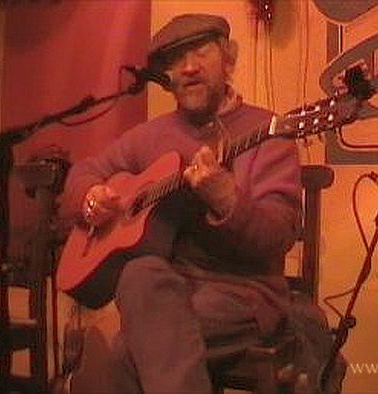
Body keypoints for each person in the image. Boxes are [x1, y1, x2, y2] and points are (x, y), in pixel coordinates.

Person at [59, 13, 304, 393]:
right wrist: (91, 198)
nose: (189, 68)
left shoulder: (269, 132)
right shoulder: (150, 135)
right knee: (139, 274)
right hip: (165, 289)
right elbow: (84, 172)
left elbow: (278, 236)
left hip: (242, 293)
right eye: (176, 59)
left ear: (228, 61)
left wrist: (226, 197)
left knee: (127, 352)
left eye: (201, 53)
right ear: (166, 76)